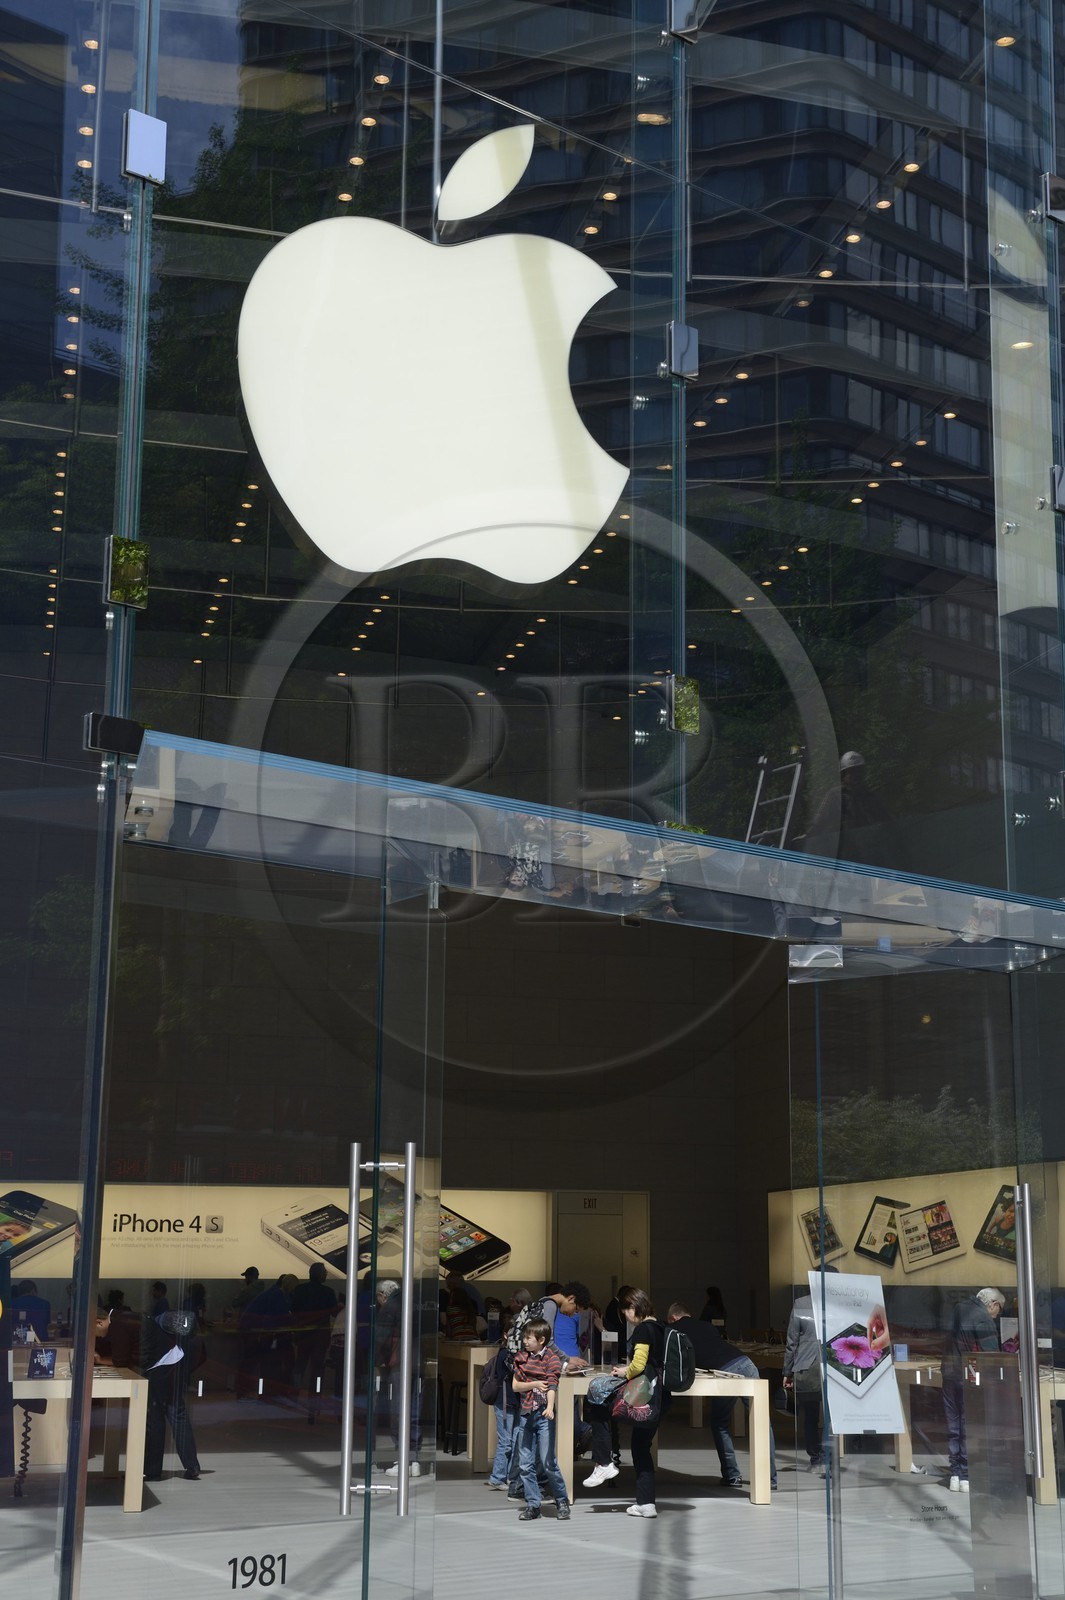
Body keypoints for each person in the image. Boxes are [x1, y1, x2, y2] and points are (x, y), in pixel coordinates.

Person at [667, 1301, 777, 1490]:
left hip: (725, 1373)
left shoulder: (673, 1330)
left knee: (720, 1423)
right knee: (761, 1423)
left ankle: (732, 1475)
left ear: (673, 1317)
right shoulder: (706, 1325)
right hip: (745, 1363)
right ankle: (769, 1479)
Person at [584, 1286, 667, 1517]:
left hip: (643, 1394)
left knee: (597, 1400)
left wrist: (623, 1372)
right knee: (641, 1448)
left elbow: (639, 1364)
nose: (626, 1318)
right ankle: (646, 1503)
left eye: (625, 1313)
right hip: (660, 1397)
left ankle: (603, 1462)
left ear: (633, 1307)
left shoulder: (643, 1330)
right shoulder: (662, 1327)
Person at [941, 1287, 1004, 1492]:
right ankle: (967, 1476)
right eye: (999, 1310)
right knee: (969, 1424)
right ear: (993, 1304)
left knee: (953, 1424)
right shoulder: (983, 1318)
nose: (997, 1315)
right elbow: (992, 1354)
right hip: (970, 1375)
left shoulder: (958, 1308)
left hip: (949, 1372)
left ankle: (955, 1475)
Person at [511, 1315, 570, 1521]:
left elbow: (552, 1385)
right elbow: (515, 1385)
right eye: (525, 1338)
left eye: (529, 1338)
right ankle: (533, 1504)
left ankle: (562, 1500)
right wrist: (534, 1384)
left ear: (541, 1340)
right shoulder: (521, 1358)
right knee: (525, 1463)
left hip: (544, 1414)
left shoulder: (552, 1359)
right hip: (526, 1413)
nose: (525, 1341)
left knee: (547, 1461)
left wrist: (550, 1407)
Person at [138, 1301, 202, 1482]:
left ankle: (152, 1470)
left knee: (155, 1418)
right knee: (178, 1415)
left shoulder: (146, 1326)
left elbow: (143, 1357)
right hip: (176, 1366)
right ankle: (192, 1465)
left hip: (160, 1369)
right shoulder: (176, 1327)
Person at [375, 1279, 422, 1477]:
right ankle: (414, 1460)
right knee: (412, 1411)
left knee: (398, 1410)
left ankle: (402, 1460)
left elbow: (381, 1338)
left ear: (381, 1295)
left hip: (397, 1365)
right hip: (415, 1362)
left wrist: (377, 1361)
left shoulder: (389, 1307)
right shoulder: (411, 1303)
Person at [290, 1262, 338, 1421]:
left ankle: (294, 1400)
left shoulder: (299, 1290)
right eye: (324, 1272)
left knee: (299, 1368)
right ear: (319, 1274)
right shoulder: (328, 1292)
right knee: (317, 1372)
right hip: (320, 1337)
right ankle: (313, 1406)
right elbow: (333, 1313)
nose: (326, 1275)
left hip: (303, 1336)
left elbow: (294, 1310)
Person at [783, 1287, 825, 1471]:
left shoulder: (801, 1303)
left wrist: (787, 1371)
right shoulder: (841, 1302)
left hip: (807, 1365)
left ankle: (816, 1458)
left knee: (810, 1416)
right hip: (834, 1363)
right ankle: (827, 1457)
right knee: (831, 1417)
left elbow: (792, 1341)